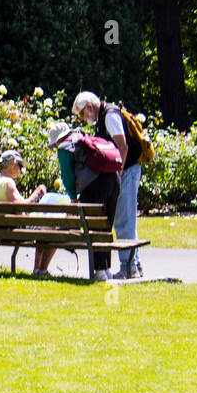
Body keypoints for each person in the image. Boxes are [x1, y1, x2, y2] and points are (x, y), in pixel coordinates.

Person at [73, 91, 143, 278]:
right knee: (124, 218)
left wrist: (118, 173)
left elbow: (123, 146)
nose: (82, 118)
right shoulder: (104, 117)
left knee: (124, 219)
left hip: (127, 169)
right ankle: (133, 264)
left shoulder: (110, 116)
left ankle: (130, 268)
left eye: (81, 113)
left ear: (89, 107)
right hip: (123, 170)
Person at [47, 121, 119, 280]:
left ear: (57, 140)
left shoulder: (64, 147)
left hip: (94, 185)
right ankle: (107, 269)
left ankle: (99, 271)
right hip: (114, 180)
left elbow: (67, 176)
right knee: (106, 227)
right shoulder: (82, 138)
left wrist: (73, 198)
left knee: (93, 229)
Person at [0, 149, 70, 275]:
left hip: (3, 228)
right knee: (53, 229)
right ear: (12, 164)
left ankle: (38, 269)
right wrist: (37, 193)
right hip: (13, 230)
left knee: (42, 227)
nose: (20, 170)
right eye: (19, 166)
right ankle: (41, 269)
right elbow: (21, 207)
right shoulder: (8, 183)